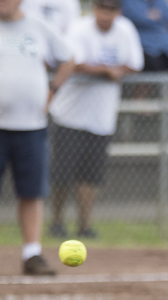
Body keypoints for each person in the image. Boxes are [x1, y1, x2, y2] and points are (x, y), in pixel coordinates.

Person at [48, 0, 144, 239]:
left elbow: (135, 64)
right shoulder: (79, 29)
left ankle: (85, 225)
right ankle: (57, 222)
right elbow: (72, 63)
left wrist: (116, 70)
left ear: (118, 12)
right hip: (70, 115)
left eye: (111, 9)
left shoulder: (126, 30)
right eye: (102, 8)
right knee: (63, 174)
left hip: (102, 117)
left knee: (90, 176)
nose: (105, 14)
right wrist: (105, 70)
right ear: (94, 9)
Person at [0, 0, 74, 275]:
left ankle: (32, 254)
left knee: (31, 192)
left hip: (31, 125)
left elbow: (68, 59)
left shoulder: (38, 26)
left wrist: (51, 92)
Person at [120, 0, 168, 73]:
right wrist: (154, 19)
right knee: (154, 67)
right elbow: (134, 17)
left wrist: (152, 17)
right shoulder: (129, 2)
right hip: (146, 48)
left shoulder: (160, 2)